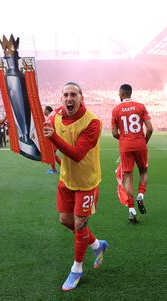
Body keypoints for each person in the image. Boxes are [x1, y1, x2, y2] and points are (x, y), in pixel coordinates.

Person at [43, 82, 108, 291]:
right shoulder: (55, 116)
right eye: (65, 95)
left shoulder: (93, 122)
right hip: (66, 179)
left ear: (81, 97)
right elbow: (48, 140)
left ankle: (77, 269)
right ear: (61, 98)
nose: (69, 98)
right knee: (65, 220)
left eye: (73, 94)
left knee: (79, 224)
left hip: (87, 181)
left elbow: (78, 154)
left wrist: (52, 136)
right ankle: (98, 245)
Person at [111, 84, 153, 223]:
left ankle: (131, 210)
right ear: (130, 93)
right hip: (140, 143)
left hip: (125, 146)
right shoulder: (140, 106)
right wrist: (143, 141)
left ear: (121, 94)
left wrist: (124, 139)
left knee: (128, 178)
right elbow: (150, 129)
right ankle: (141, 194)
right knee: (143, 172)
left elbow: (114, 133)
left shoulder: (116, 110)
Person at [43, 105, 62, 174]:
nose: (43, 111)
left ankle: (54, 169)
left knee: (51, 155)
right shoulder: (50, 116)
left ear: (47, 110)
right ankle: (60, 168)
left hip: (53, 139)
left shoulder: (51, 117)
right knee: (53, 155)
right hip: (52, 138)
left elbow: (51, 127)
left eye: (44, 109)